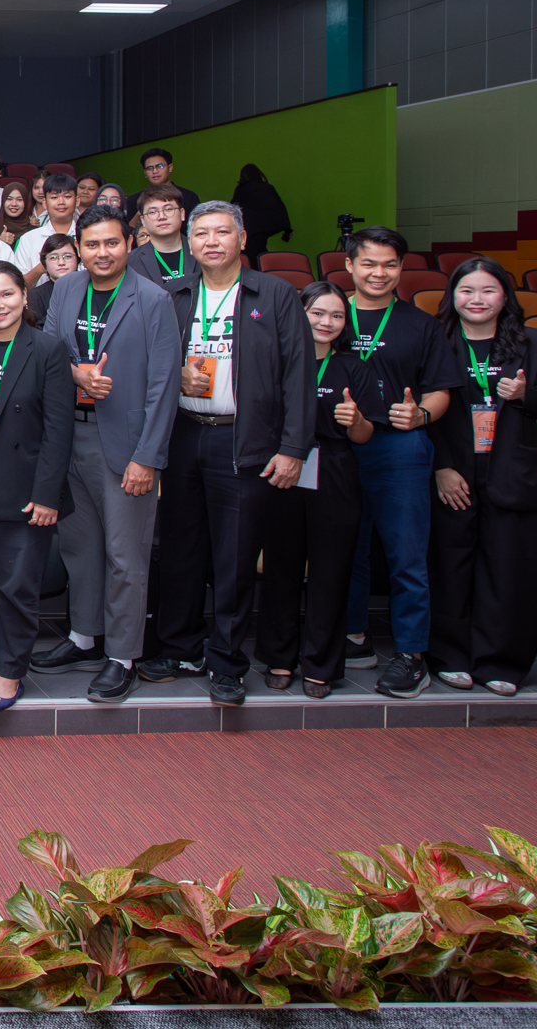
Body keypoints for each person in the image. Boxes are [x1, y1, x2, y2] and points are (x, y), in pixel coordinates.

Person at [140, 203, 309, 706]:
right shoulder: (173, 295)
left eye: (222, 232)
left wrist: (293, 448)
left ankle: (227, 662)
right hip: (184, 434)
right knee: (180, 548)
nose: (211, 242)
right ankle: (180, 649)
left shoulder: (275, 294)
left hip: (243, 439)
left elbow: (299, 374)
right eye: (202, 234)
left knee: (234, 555)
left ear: (242, 238)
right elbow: (149, 363)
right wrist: (175, 379)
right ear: (189, 243)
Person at [33, 205, 182, 704]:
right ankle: (84, 637)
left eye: (112, 243)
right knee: (80, 548)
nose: (102, 253)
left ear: (129, 244)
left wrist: (148, 458)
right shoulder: (67, 289)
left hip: (125, 445)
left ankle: (122, 656)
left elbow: (164, 385)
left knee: (125, 556)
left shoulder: (153, 299)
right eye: (92, 244)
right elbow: (49, 350)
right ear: (78, 247)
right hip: (68, 438)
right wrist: (76, 373)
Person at [428, 257, 537, 696]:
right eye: (467, 290)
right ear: (453, 295)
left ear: (505, 296)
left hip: (512, 470)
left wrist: (526, 395)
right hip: (453, 470)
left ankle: (500, 662)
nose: (477, 299)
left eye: (488, 290)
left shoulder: (533, 341)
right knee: (450, 566)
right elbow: (424, 407)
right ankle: (451, 657)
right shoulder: (437, 339)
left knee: (509, 569)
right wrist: (441, 467)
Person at [338, 226, 463, 698]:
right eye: (368, 263)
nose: (379, 273)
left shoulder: (421, 324)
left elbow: (441, 390)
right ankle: (354, 637)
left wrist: (421, 415)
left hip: (399, 448)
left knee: (406, 554)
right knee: (345, 549)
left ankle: (412, 655)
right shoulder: (331, 315)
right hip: (337, 447)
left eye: (390, 264)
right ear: (349, 265)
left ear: (401, 268)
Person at [0, 261, 75, 712]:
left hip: (25, 490)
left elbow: (59, 429)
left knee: (18, 586)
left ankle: (10, 672)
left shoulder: (48, 349)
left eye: (7, 294)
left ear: (25, 297)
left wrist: (47, 495)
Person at [255, 282, 376, 698]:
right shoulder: (276, 361)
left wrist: (356, 420)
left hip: (336, 473)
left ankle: (321, 665)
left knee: (331, 572)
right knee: (281, 569)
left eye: (337, 315)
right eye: (318, 313)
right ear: (299, 314)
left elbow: (365, 435)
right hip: (282, 471)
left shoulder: (354, 368)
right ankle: (279, 658)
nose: (327, 322)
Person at [127, 184, 198, 287]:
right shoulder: (131, 262)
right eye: (153, 212)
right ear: (143, 221)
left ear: (182, 214)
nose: (161, 216)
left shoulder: (202, 251)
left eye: (168, 209)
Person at [14, 173, 80, 285]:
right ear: (45, 202)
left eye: (67, 196)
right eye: (54, 197)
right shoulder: (28, 239)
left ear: (77, 201)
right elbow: (18, 286)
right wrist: (42, 267)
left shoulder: (87, 237)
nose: (61, 202)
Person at [231, 164, 294, 266]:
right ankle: (264, 269)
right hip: (268, 226)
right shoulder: (268, 187)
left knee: (251, 253)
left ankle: (256, 271)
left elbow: (233, 207)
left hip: (252, 227)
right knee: (259, 250)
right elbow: (279, 206)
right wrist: (287, 229)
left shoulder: (243, 189)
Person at [135, 148, 199, 220]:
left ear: (170, 167)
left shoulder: (189, 197)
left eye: (160, 166)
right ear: (145, 173)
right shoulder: (134, 200)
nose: (155, 171)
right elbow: (130, 226)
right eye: (149, 168)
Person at [29, 232, 80, 322]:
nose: (61, 262)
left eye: (67, 256)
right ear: (44, 262)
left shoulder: (90, 290)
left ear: (78, 258)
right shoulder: (34, 297)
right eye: (53, 257)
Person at [0, 182, 33, 249]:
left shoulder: (34, 232)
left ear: (26, 202)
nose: (14, 204)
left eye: (19, 199)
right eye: (9, 199)